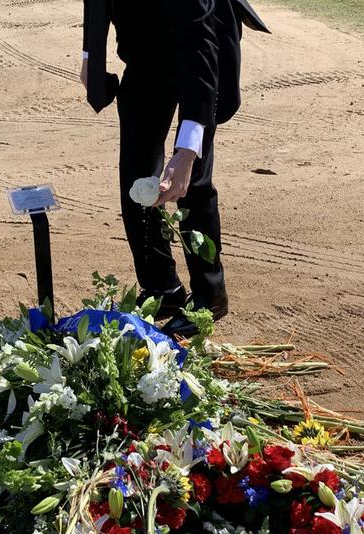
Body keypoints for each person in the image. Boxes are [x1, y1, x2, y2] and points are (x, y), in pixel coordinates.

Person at [81, 0, 268, 337]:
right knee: (137, 178)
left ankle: (210, 296)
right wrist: (89, 58)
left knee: (190, 183)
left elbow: (200, 44)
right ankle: (162, 288)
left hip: (200, 45)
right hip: (145, 48)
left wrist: (186, 153)